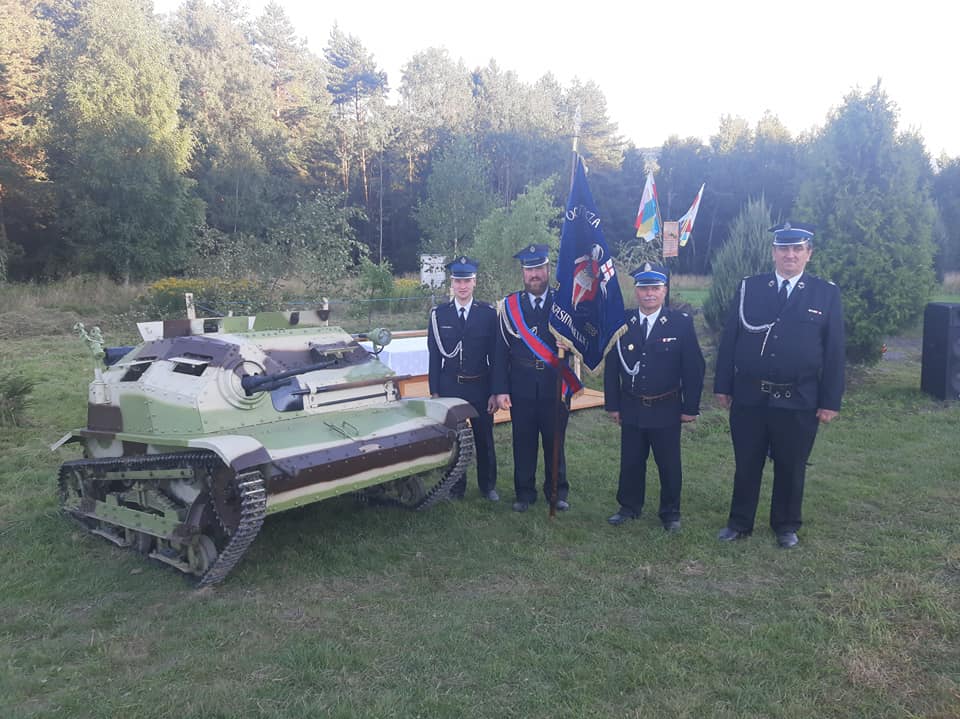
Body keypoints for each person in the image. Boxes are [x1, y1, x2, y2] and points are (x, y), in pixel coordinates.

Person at [714, 222, 845, 548]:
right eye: (784, 248)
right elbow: (730, 339)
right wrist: (722, 384)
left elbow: (834, 351)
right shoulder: (750, 287)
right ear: (773, 252)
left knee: (792, 465)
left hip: (799, 397)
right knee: (747, 462)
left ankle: (785, 525)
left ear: (808, 254)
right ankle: (739, 522)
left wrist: (830, 400)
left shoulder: (825, 293)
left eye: (797, 249)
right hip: (751, 395)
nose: (790, 255)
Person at [604, 263, 705, 531]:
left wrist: (690, 407)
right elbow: (612, 367)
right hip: (632, 405)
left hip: (666, 407)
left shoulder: (680, 323)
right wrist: (612, 404)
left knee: (669, 464)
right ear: (636, 291)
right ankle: (628, 506)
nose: (649, 293)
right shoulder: (622, 323)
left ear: (664, 291)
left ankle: (670, 513)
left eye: (655, 288)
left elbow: (693, 368)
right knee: (631, 461)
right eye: (644, 288)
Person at [492, 244, 572, 513]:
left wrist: (571, 345)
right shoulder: (510, 306)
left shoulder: (563, 304)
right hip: (521, 384)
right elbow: (500, 351)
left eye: (539, 268)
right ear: (523, 273)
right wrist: (501, 389)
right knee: (523, 441)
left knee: (555, 440)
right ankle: (524, 493)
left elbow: (581, 340)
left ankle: (557, 491)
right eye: (529, 270)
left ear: (548, 269)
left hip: (555, 383)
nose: (534, 274)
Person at [427, 256, 500, 501]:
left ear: (474, 282)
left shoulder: (488, 314)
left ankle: (488, 486)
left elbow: (496, 356)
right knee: (455, 439)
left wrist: (495, 391)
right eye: (458, 281)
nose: (462, 286)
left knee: (484, 438)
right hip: (451, 386)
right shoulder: (439, 315)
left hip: (480, 385)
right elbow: (434, 356)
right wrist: (435, 392)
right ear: (452, 283)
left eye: (467, 281)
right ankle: (456, 486)